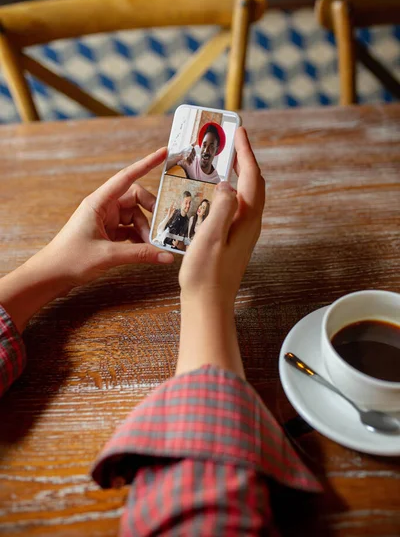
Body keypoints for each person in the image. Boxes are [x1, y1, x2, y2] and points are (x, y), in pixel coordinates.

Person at [0, 128, 320, 536]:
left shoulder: (203, 176)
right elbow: (205, 514)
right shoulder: (186, 172)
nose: (205, 149)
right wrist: (209, 297)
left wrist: (50, 269)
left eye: (211, 145)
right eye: (203, 144)